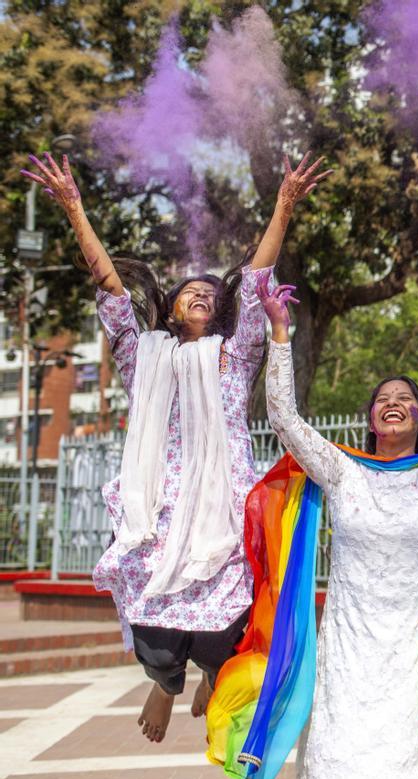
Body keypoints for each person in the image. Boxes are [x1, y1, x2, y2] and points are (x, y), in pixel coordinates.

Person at [20, 150, 330, 742]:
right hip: (156, 514)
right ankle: (165, 684)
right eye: (190, 290)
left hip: (221, 511)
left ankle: (211, 676)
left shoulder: (234, 354)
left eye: (211, 293)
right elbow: (109, 285)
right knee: (156, 647)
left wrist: (284, 205)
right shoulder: (144, 355)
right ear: (167, 308)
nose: (202, 294)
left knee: (223, 641)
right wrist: (74, 208)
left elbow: (257, 275)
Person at [223, 285, 418, 779]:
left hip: (414, 648)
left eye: (405, 399)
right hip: (348, 648)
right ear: (371, 419)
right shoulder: (342, 471)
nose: (393, 404)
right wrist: (281, 333)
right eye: (383, 399)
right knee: (341, 773)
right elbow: (285, 420)